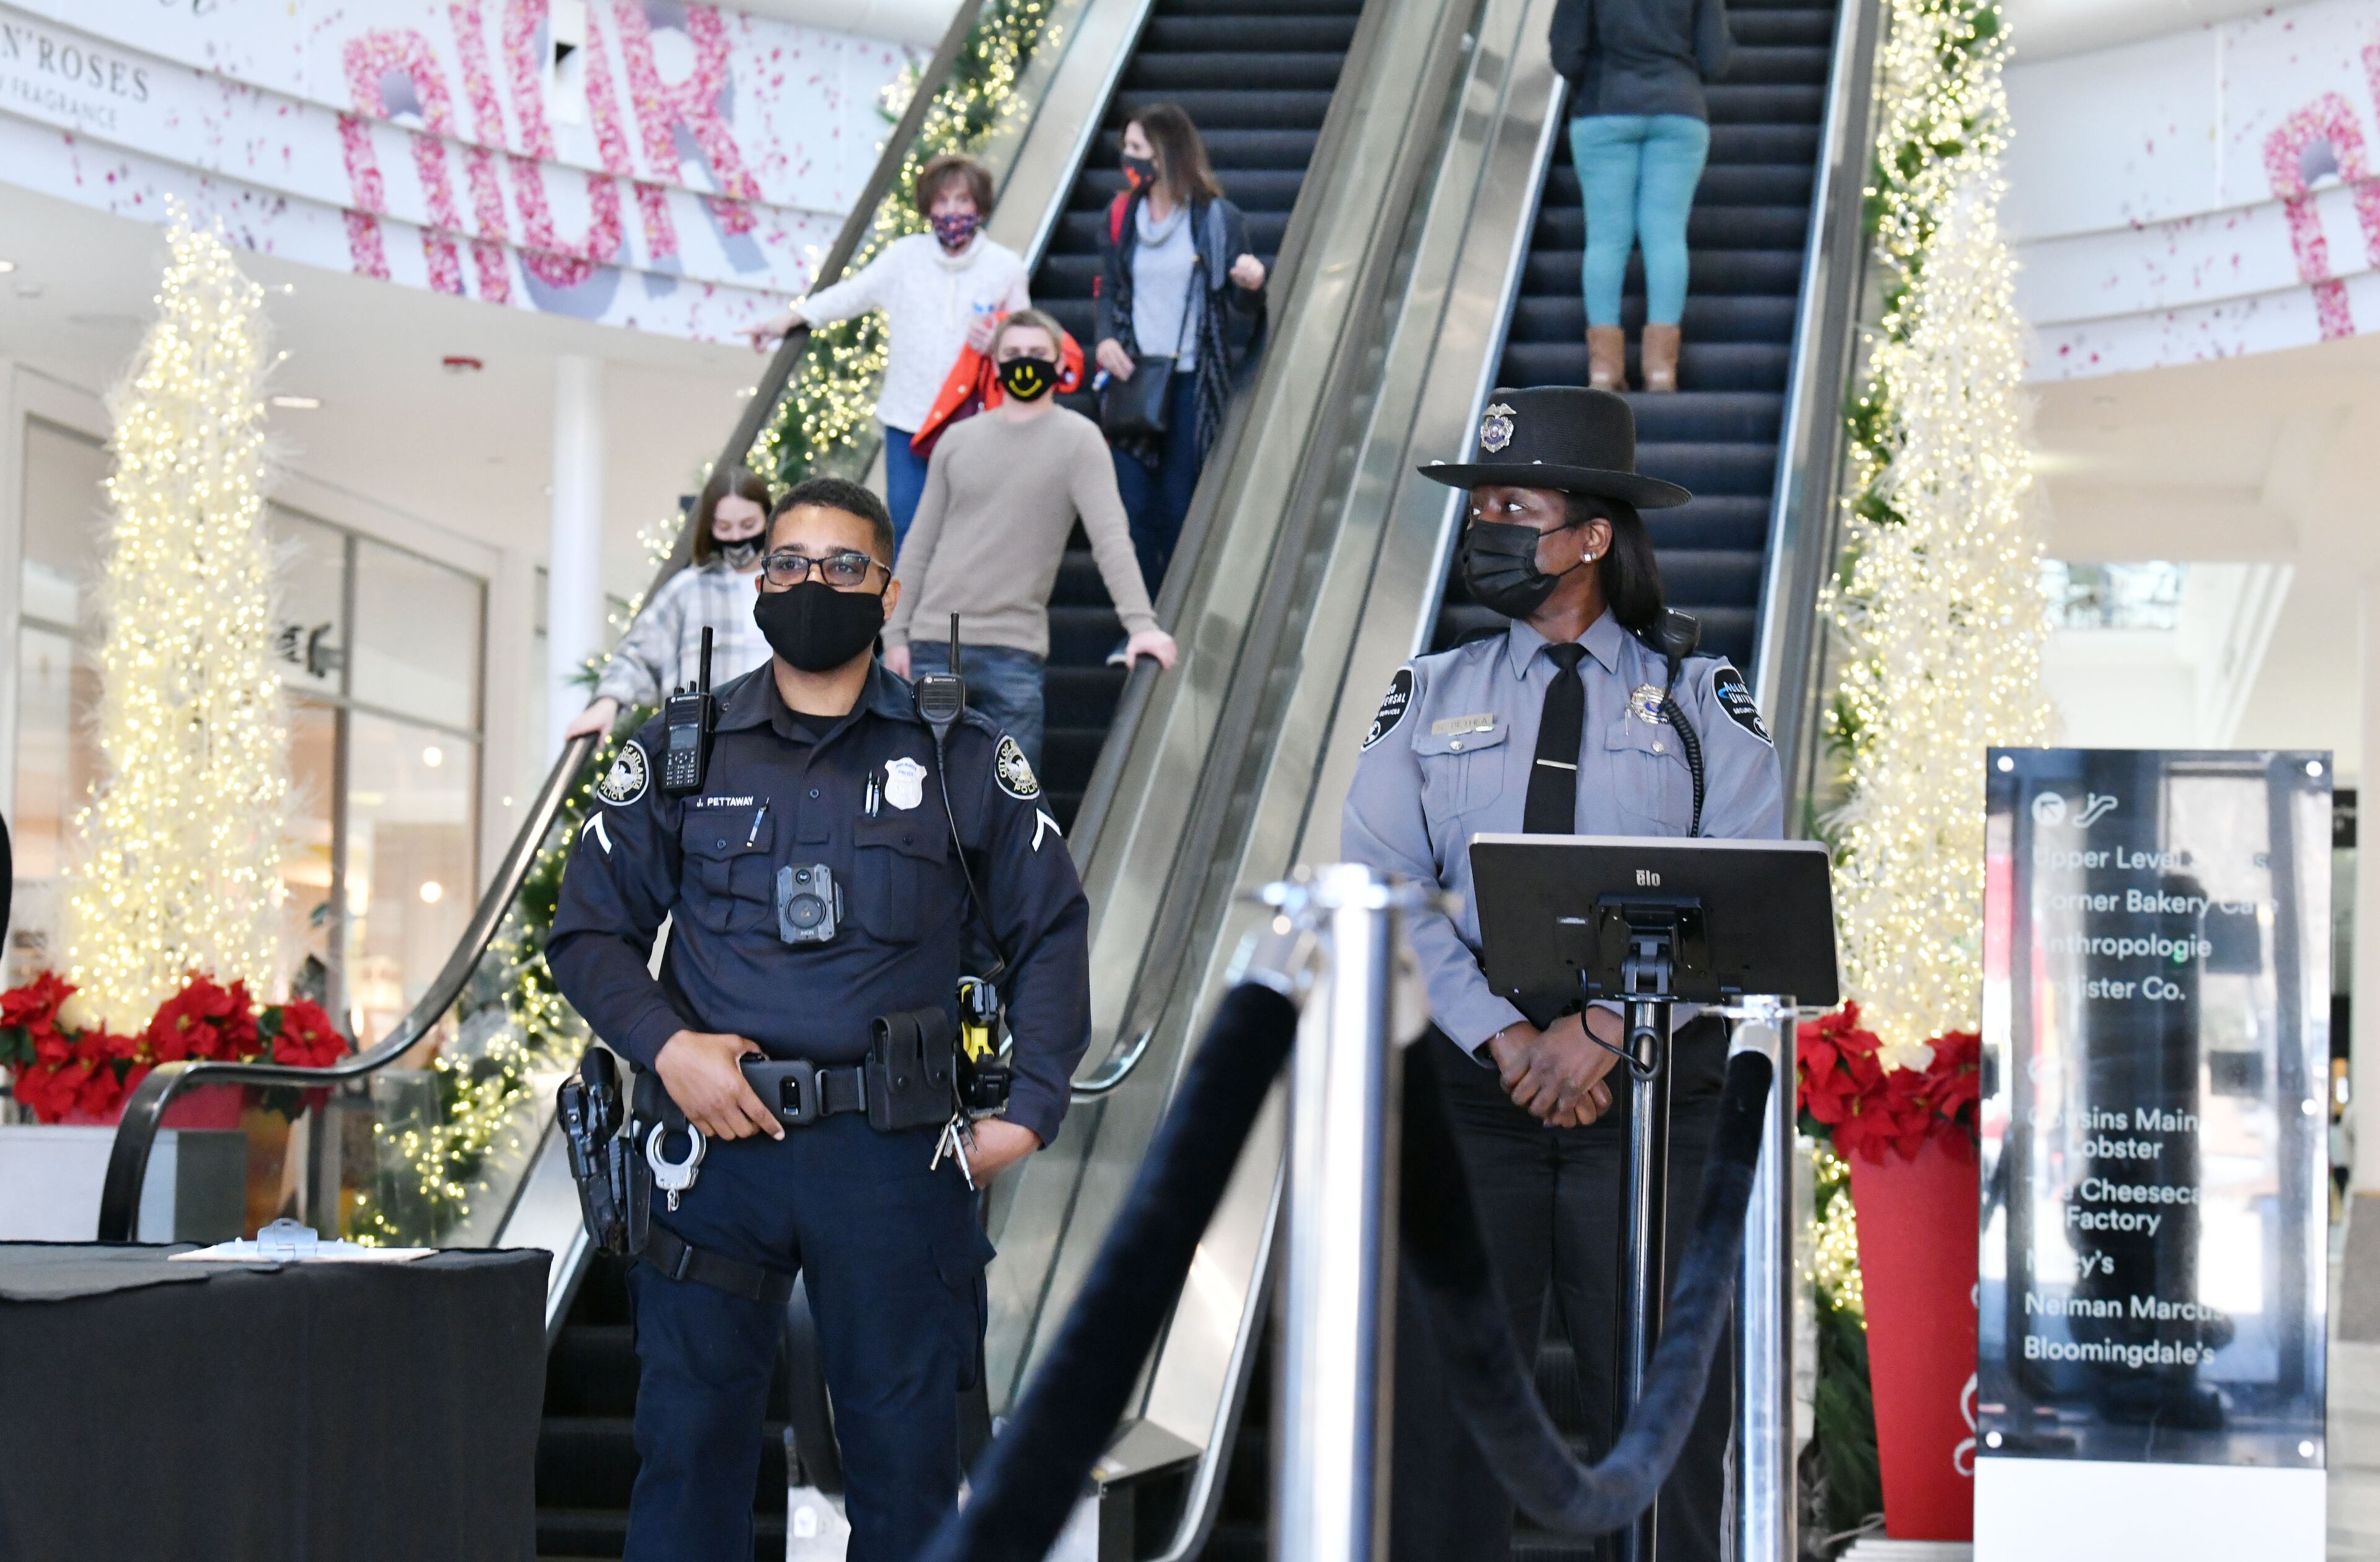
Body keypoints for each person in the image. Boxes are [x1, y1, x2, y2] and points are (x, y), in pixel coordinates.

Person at [545, 475, 1093, 1562]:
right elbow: (588, 934)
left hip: (891, 1161)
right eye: (789, 564)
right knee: (689, 1462)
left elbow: (1053, 928)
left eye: (845, 567)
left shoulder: (961, 753)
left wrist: (1030, 1109)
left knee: (907, 1474)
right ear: (759, 581)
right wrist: (668, 1047)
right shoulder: (682, 750)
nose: (813, 585)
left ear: (887, 589)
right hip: (710, 1157)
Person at [1342, 387, 1781, 1562]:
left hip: (1650, 1101)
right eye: (1478, 506)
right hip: (1473, 1102)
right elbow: (1386, 884)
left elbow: (1739, 882)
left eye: (1512, 507)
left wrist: (1602, 1025)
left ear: (1591, 535)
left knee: (1661, 1418)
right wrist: (1504, 1036)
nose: (1485, 528)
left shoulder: (1700, 700)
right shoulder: (1429, 695)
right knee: (1444, 1416)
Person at [882, 309, 1179, 770]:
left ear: (1060, 362)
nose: (1025, 363)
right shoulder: (957, 440)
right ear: (995, 363)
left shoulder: (1080, 441)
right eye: (1013, 354)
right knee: (923, 802)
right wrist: (894, 634)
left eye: (1038, 354)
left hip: (1014, 652)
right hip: (933, 643)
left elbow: (1111, 540)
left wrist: (1141, 625)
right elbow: (919, 544)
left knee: (1013, 814)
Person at [747, 156, 1030, 550]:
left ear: (979, 205)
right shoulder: (904, 257)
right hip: (907, 419)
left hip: (971, 419)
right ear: (928, 207)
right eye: (942, 201)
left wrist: (998, 339)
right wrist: (792, 319)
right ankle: (904, 612)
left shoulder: (1005, 267)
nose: (952, 211)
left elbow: (1027, 339)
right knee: (907, 528)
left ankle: (956, 613)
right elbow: (853, 294)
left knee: (967, 533)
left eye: (962, 200)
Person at [1093, 104, 1268, 596]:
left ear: (1167, 154)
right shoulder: (1120, 214)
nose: (1127, 159)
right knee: (1132, 510)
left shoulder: (1215, 218)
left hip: (1191, 383)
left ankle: (1181, 611)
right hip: (1133, 378)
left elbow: (1239, 303)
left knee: (1178, 507)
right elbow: (1109, 288)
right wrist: (1105, 337)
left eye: (1137, 149)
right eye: (1126, 147)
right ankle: (1141, 620)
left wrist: (1251, 285)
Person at [1550, 0, 1733, 392]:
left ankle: (1604, 370)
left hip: (1603, 109)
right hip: (1678, 110)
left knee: (1605, 240)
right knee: (1666, 235)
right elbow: (1716, 57)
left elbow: (1566, 54)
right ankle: (1661, 370)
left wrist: (1605, 78)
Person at [567, 466, 775, 740]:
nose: (737, 537)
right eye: (724, 527)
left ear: (768, 520)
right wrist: (608, 702)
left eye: (748, 525)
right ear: (709, 528)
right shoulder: (687, 591)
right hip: (709, 752)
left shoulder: (792, 583)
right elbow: (639, 656)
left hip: (778, 747)